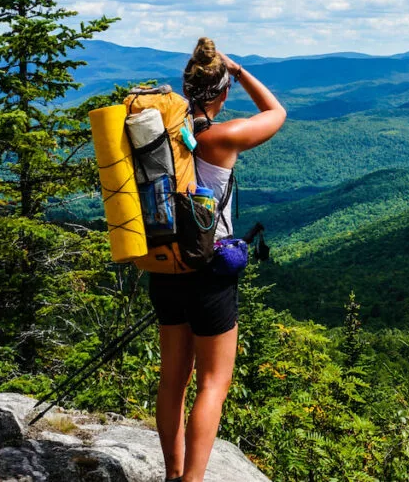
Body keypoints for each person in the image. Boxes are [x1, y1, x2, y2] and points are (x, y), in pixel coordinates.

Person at [147, 37, 286, 482]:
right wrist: (241, 71)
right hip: (207, 271)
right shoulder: (223, 137)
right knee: (212, 383)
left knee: (174, 378)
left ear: (187, 90)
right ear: (222, 93)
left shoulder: (162, 135)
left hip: (165, 263)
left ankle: (172, 474)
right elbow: (277, 113)